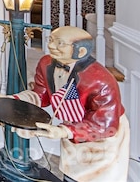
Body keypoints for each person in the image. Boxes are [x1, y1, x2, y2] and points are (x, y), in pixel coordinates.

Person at [7, 26, 129, 182]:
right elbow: (41, 96)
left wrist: (64, 131)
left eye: (60, 43)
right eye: (50, 40)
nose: (51, 46)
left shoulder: (101, 80)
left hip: (103, 137)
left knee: (98, 177)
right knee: (71, 174)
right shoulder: (46, 63)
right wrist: (15, 100)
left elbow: (105, 126)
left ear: (81, 51)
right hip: (72, 127)